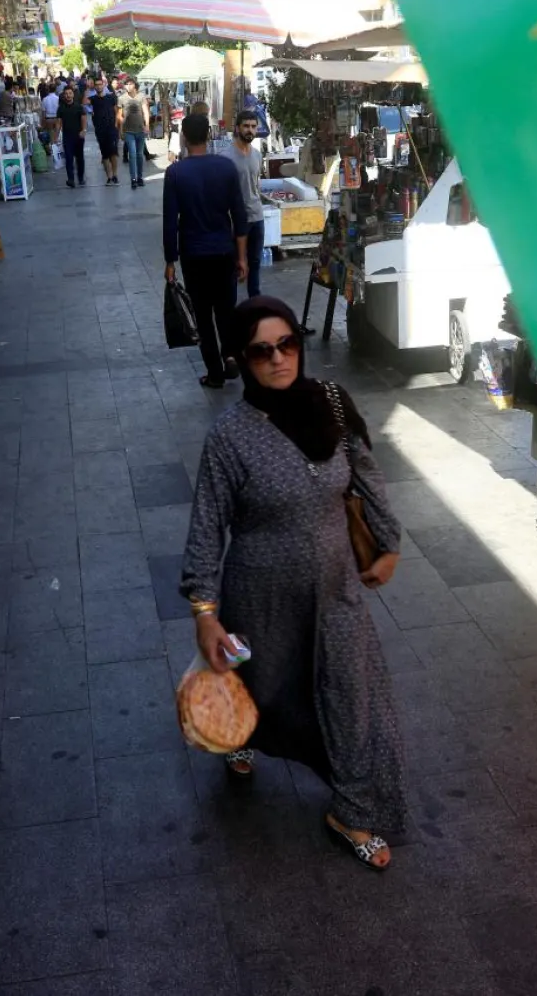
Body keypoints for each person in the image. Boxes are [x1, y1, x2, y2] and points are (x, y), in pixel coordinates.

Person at [180, 295, 407, 870]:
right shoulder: (229, 438)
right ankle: (239, 736)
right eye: (262, 351)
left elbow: (367, 474)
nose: (279, 359)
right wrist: (205, 611)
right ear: (242, 360)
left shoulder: (330, 402)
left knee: (351, 695)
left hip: (336, 588)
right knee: (261, 685)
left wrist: (389, 544)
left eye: (287, 344)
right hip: (260, 594)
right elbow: (207, 525)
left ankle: (352, 810)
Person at [164, 113, 248, 388]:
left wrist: (170, 260)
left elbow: (170, 221)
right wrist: (242, 257)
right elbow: (239, 215)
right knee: (226, 309)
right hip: (224, 251)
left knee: (202, 315)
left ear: (184, 138)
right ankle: (231, 355)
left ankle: (214, 373)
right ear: (209, 135)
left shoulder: (176, 173)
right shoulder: (225, 167)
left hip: (194, 254)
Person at [229, 111, 267, 298]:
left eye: (253, 126)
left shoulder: (257, 155)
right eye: (246, 126)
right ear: (237, 128)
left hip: (257, 217)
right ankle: (230, 307)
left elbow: (256, 185)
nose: (250, 130)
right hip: (236, 220)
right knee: (234, 265)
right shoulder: (226, 157)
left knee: (255, 264)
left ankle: (255, 304)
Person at [118, 78, 151, 189]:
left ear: (134, 85)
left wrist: (147, 125)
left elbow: (145, 111)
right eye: (126, 84)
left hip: (140, 130)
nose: (128, 86)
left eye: (130, 84)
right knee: (132, 155)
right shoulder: (121, 98)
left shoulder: (141, 97)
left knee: (139, 155)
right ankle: (133, 179)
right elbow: (119, 115)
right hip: (128, 131)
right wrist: (121, 129)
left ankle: (140, 177)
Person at [90, 78, 121, 186]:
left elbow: (117, 112)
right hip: (100, 130)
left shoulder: (111, 97)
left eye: (100, 84)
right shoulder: (93, 99)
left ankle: (115, 175)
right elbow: (83, 102)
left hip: (111, 128)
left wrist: (117, 126)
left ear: (104, 85)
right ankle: (109, 177)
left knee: (113, 153)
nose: (98, 86)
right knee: (105, 154)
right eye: (96, 85)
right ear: (94, 86)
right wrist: (88, 88)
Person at [55, 86, 87, 188]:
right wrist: (56, 136)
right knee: (68, 158)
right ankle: (71, 179)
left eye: (70, 93)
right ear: (64, 95)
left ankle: (81, 178)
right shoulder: (61, 108)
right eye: (66, 94)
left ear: (73, 94)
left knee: (79, 158)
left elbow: (83, 119)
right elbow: (59, 123)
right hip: (67, 137)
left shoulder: (79, 107)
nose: (68, 95)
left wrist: (83, 130)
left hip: (78, 136)